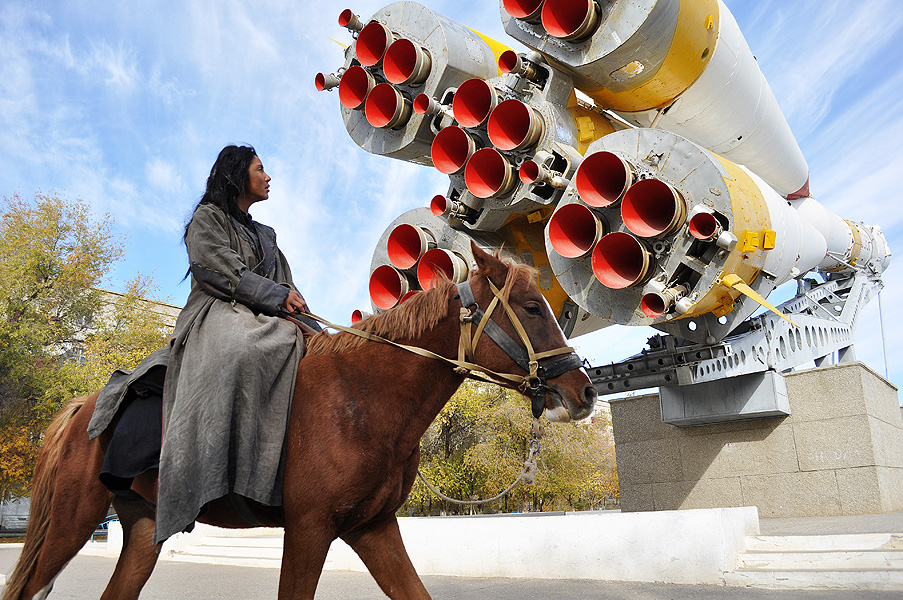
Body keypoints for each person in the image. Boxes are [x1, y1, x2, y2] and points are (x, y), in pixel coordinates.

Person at [152, 145, 309, 542]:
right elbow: (218, 270)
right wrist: (277, 297)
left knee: (310, 349)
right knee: (241, 347)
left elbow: (287, 284)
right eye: (260, 169)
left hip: (268, 313)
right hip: (218, 308)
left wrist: (308, 321)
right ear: (238, 175)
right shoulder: (207, 218)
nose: (268, 177)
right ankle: (211, 464)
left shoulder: (267, 235)